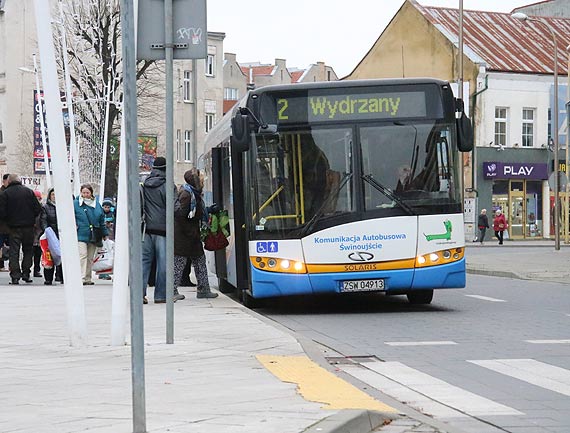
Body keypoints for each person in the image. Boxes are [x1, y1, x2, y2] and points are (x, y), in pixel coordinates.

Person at [173, 168, 218, 299]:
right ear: (196, 181)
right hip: (184, 236)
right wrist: (190, 232)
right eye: (201, 178)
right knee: (178, 264)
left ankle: (204, 289)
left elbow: (196, 212)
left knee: (199, 261)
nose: (203, 180)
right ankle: (171, 291)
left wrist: (208, 210)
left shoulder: (193, 193)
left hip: (191, 236)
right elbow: (181, 215)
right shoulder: (187, 194)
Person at [141, 156, 179, 304]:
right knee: (163, 264)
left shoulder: (145, 184)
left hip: (146, 229)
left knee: (144, 263)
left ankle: (140, 294)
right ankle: (161, 295)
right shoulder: (168, 185)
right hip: (163, 230)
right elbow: (175, 208)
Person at [0, 174, 42, 284]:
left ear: (9, 182)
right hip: (28, 227)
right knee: (28, 250)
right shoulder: (28, 192)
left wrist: (8, 222)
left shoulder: (5, 194)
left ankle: (15, 276)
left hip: (13, 228)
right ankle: (26, 273)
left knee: (14, 252)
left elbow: (2, 212)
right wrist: (31, 218)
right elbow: (38, 209)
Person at [74, 183, 108, 285]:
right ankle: (82, 277)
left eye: (87, 192)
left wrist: (105, 233)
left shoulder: (96, 205)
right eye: (83, 192)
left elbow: (101, 220)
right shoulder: (76, 204)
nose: (85, 195)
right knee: (82, 255)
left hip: (94, 234)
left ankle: (88, 278)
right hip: (81, 233)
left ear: (91, 193)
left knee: (90, 257)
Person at [40, 188, 63, 285]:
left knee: (62, 257)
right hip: (51, 235)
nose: (54, 197)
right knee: (49, 256)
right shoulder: (46, 207)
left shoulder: (64, 207)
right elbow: (43, 220)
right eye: (53, 194)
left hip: (62, 235)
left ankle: (61, 276)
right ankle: (48, 278)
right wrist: (47, 231)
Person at [98, 198, 115, 280]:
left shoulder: (112, 214)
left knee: (110, 254)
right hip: (102, 236)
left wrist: (110, 224)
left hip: (110, 236)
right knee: (102, 254)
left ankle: (107, 271)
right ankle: (102, 272)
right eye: (105, 207)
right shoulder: (101, 214)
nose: (107, 209)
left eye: (108, 207)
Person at [0, 174, 11, 272]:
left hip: (10, 225)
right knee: (0, 245)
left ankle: (12, 265)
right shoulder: (2, 193)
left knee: (11, 246)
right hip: (2, 225)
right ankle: (1, 265)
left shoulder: (9, 192)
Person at [32, 190, 44, 277]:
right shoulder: (29, 207)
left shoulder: (43, 208)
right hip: (32, 233)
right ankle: (29, 270)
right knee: (30, 253)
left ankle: (36, 269)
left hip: (39, 232)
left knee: (38, 254)